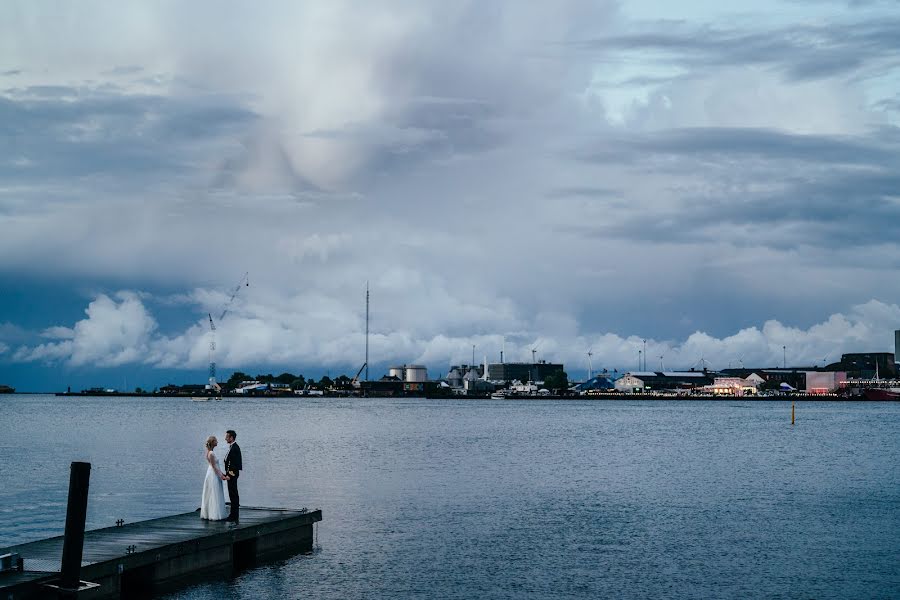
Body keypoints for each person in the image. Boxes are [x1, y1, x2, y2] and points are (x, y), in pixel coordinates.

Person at [200, 435, 228, 520]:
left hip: (211, 473)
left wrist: (221, 473)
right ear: (212, 442)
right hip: (213, 474)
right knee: (215, 493)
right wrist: (222, 476)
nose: (217, 442)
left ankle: (210, 512)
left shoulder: (209, 452)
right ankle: (215, 514)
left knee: (212, 493)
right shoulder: (211, 453)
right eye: (216, 441)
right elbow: (214, 467)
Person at [224, 429, 242, 522]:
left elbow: (234, 464)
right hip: (231, 474)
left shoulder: (234, 448)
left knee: (233, 495)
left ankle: (233, 516)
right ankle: (234, 515)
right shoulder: (232, 447)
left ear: (231, 437)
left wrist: (230, 475)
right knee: (233, 495)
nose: (225, 438)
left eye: (227, 437)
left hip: (232, 475)